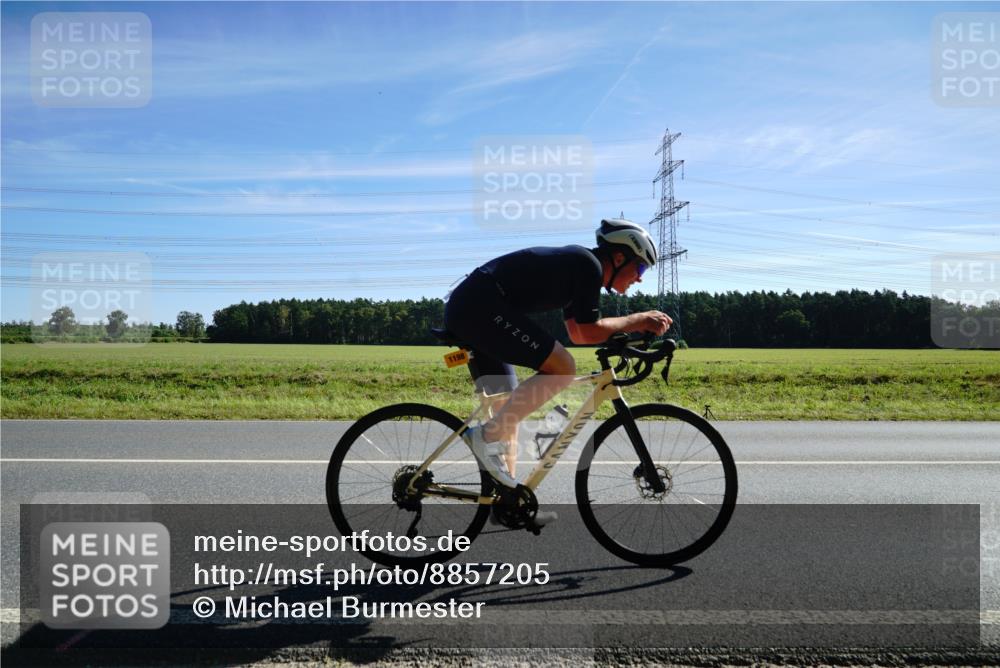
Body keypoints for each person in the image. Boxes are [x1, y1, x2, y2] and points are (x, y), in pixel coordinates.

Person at [443, 218, 673, 513]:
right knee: (563, 367)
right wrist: (638, 319)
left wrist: (630, 333)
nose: (639, 278)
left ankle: (509, 503)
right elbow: (588, 332)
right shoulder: (587, 265)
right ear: (619, 257)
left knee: (507, 411)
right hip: (478, 308)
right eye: (640, 268)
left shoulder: (579, 268)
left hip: (475, 306)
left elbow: (578, 332)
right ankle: (483, 437)